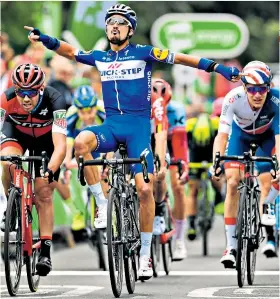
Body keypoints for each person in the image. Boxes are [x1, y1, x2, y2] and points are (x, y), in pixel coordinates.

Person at [24, 3, 241, 280]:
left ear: (130, 29)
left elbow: (181, 58)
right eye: (110, 22)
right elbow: (70, 52)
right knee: (80, 141)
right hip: (112, 126)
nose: (114, 26)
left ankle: (145, 256)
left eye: (120, 22)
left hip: (138, 128)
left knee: (145, 191)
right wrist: (46, 40)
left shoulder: (144, 53)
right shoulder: (100, 56)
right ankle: (102, 204)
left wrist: (217, 67)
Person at [211, 61, 280, 268]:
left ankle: (267, 203)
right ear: (244, 88)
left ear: (269, 87)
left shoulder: (276, 100)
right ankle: (231, 246)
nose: (257, 94)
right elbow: (222, 136)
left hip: (268, 138)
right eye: (252, 89)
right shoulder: (232, 99)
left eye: (262, 89)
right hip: (239, 137)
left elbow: (279, 139)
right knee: (232, 182)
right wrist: (216, 160)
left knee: (274, 176)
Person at [0, 63, 67, 276]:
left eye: (31, 92)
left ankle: (45, 250)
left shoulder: (56, 100)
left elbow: (61, 146)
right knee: (6, 162)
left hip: (47, 142)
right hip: (17, 134)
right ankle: (12, 205)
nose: (25, 98)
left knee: (44, 191)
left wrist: (52, 169)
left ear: (41, 88)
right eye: (21, 92)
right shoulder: (5, 99)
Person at [56, 85, 106, 231]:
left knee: (104, 177)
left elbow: (112, 139)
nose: (87, 116)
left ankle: (112, 216)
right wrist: (65, 164)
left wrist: (104, 162)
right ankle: (76, 212)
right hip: (79, 148)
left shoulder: (103, 110)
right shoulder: (71, 114)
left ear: (95, 106)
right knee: (57, 176)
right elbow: (68, 142)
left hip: (101, 146)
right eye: (82, 112)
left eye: (90, 110)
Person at [151, 78, 189, 261]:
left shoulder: (177, 110)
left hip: (171, 143)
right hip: (151, 141)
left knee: (178, 187)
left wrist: (182, 164)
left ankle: (180, 240)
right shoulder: (145, 109)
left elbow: (180, 142)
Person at [185, 98, 225, 240]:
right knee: (217, 178)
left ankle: (191, 225)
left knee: (193, 192)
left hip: (194, 158)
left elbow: (185, 146)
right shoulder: (215, 123)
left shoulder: (189, 124)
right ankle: (220, 199)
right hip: (210, 156)